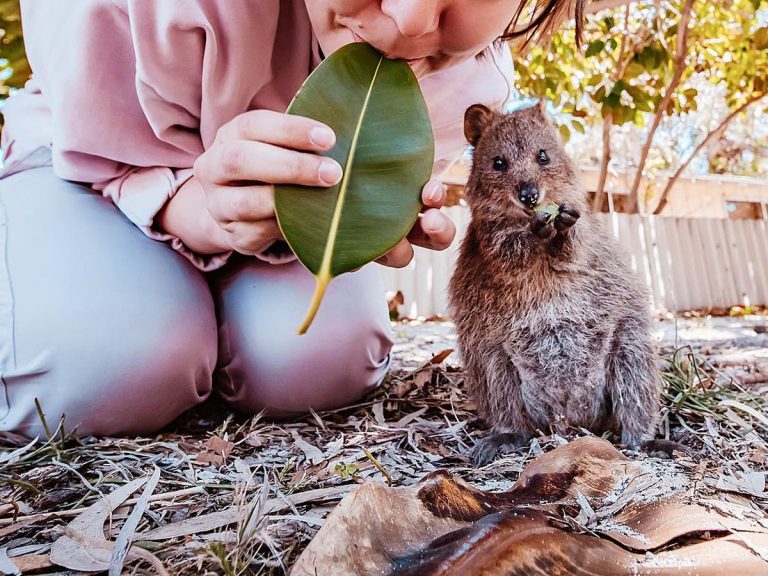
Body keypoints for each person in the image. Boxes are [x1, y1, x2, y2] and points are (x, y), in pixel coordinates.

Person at [0, 0, 582, 438]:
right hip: (92, 169)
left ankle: (203, 339)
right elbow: (98, 142)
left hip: (273, 239)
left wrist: (367, 221)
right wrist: (199, 208)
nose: (407, 19)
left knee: (320, 364)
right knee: (101, 369)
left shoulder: (471, 80)